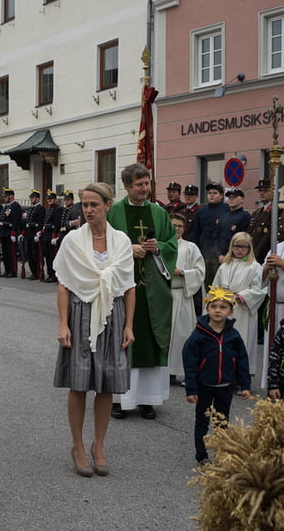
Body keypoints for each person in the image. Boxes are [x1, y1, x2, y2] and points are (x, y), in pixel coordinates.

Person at [53, 182, 136, 477]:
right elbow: (64, 284)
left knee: (106, 384)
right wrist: (63, 323)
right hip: (80, 313)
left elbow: (128, 286)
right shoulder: (73, 241)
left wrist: (129, 325)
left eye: (94, 205)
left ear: (107, 205)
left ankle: (98, 445)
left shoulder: (122, 241)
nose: (88, 210)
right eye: (84, 205)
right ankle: (77, 445)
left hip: (112, 313)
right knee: (78, 384)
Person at [107, 163, 177, 419]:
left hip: (152, 291)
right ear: (127, 186)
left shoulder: (158, 213)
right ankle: (118, 398)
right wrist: (129, 250)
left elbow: (172, 244)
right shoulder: (114, 212)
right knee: (120, 339)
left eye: (147, 183)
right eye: (139, 184)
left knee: (149, 338)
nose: (145, 188)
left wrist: (158, 248)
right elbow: (101, 245)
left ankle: (148, 399)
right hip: (121, 289)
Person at [182, 287, 251, 465]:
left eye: (223, 307)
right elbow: (190, 363)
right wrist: (191, 389)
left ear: (231, 311)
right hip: (204, 385)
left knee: (222, 420)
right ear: (207, 309)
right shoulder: (199, 335)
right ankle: (202, 455)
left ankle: (221, 452)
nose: (218, 310)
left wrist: (245, 385)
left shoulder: (233, 335)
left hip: (225, 386)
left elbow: (242, 360)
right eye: (213, 306)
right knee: (202, 421)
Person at [212, 231, 267, 376]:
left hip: (243, 308)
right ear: (231, 247)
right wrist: (217, 300)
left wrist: (243, 296)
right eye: (237, 246)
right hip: (224, 308)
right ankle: (224, 373)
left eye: (244, 247)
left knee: (242, 340)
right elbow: (215, 286)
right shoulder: (224, 266)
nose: (240, 250)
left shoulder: (254, 267)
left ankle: (241, 374)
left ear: (250, 248)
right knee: (223, 343)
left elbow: (260, 288)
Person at [168, 213, 205, 382]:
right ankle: (166, 373)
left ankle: (185, 372)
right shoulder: (162, 246)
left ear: (184, 229)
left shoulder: (191, 247)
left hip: (182, 294)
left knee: (183, 336)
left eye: (180, 226)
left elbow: (200, 272)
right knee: (166, 337)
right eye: (173, 225)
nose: (176, 229)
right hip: (165, 296)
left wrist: (182, 272)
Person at [193, 182, 227, 288]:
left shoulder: (226, 210)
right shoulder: (202, 211)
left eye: (215, 193)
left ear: (221, 195)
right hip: (204, 253)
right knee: (205, 284)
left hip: (220, 254)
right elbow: (197, 232)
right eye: (209, 193)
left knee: (220, 284)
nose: (211, 195)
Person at [217, 188, 251, 260]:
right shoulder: (223, 216)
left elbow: (244, 238)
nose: (231, 199)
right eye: (230, 197)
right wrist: (219, 254)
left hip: (237, 255)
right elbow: (217, 236)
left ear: (242, 199)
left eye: (234, 197)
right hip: (222, 256)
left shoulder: (245, 216)